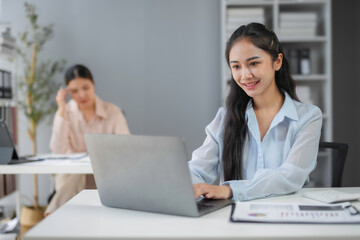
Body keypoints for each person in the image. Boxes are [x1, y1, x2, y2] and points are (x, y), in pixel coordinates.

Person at [189, 23, 322, 201]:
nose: (245, 75)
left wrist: (230, 190)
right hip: (233, 221)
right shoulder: (225, 117)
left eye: (253, 63)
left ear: (277, 62)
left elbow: (290, 176)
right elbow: (197, 170)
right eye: (236, 66)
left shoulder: (308, 117)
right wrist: (190, 187)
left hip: (285, 216)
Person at [45, 64, 130, 215]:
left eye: (86, 88)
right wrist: (61, 110)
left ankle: (53, 212)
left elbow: (126, 147)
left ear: (93, 85)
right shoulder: (66, 113)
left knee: (88, 173)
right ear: (67, 92)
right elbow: (58, 150)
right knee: (79, 174)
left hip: (105, 173)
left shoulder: (113, 112)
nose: (82, 95)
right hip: (71, 175)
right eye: (74, 91)